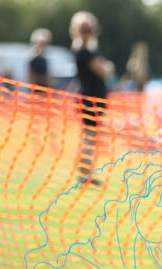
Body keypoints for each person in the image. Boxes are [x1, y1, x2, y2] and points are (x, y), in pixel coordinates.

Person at [70, 11, 114, 185]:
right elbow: (104, 70)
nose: (88, 32)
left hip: (95, 98)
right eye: (85, 29)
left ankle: (86, 172)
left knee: (91, 136)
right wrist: (107, 67)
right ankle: (84, 173)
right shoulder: (83, 51)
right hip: (89, 99)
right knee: (89, 136)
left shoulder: (90, 50)